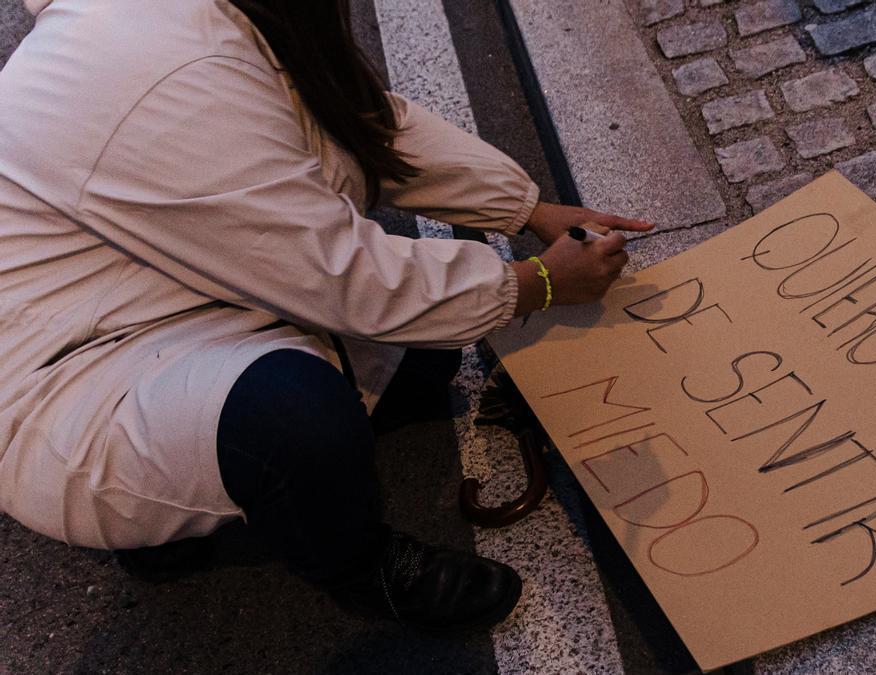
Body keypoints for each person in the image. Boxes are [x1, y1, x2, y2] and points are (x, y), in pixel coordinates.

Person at [0, 0, 653, 631]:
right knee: (298, 416)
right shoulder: (163, 65)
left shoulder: (205, 18)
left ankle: (240, 488)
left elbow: (358, 127)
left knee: (426, 358)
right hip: (73, 376)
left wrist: (526, 209)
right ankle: (358, 569)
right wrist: (533, 282)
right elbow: (343, 277)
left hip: (164, 295)